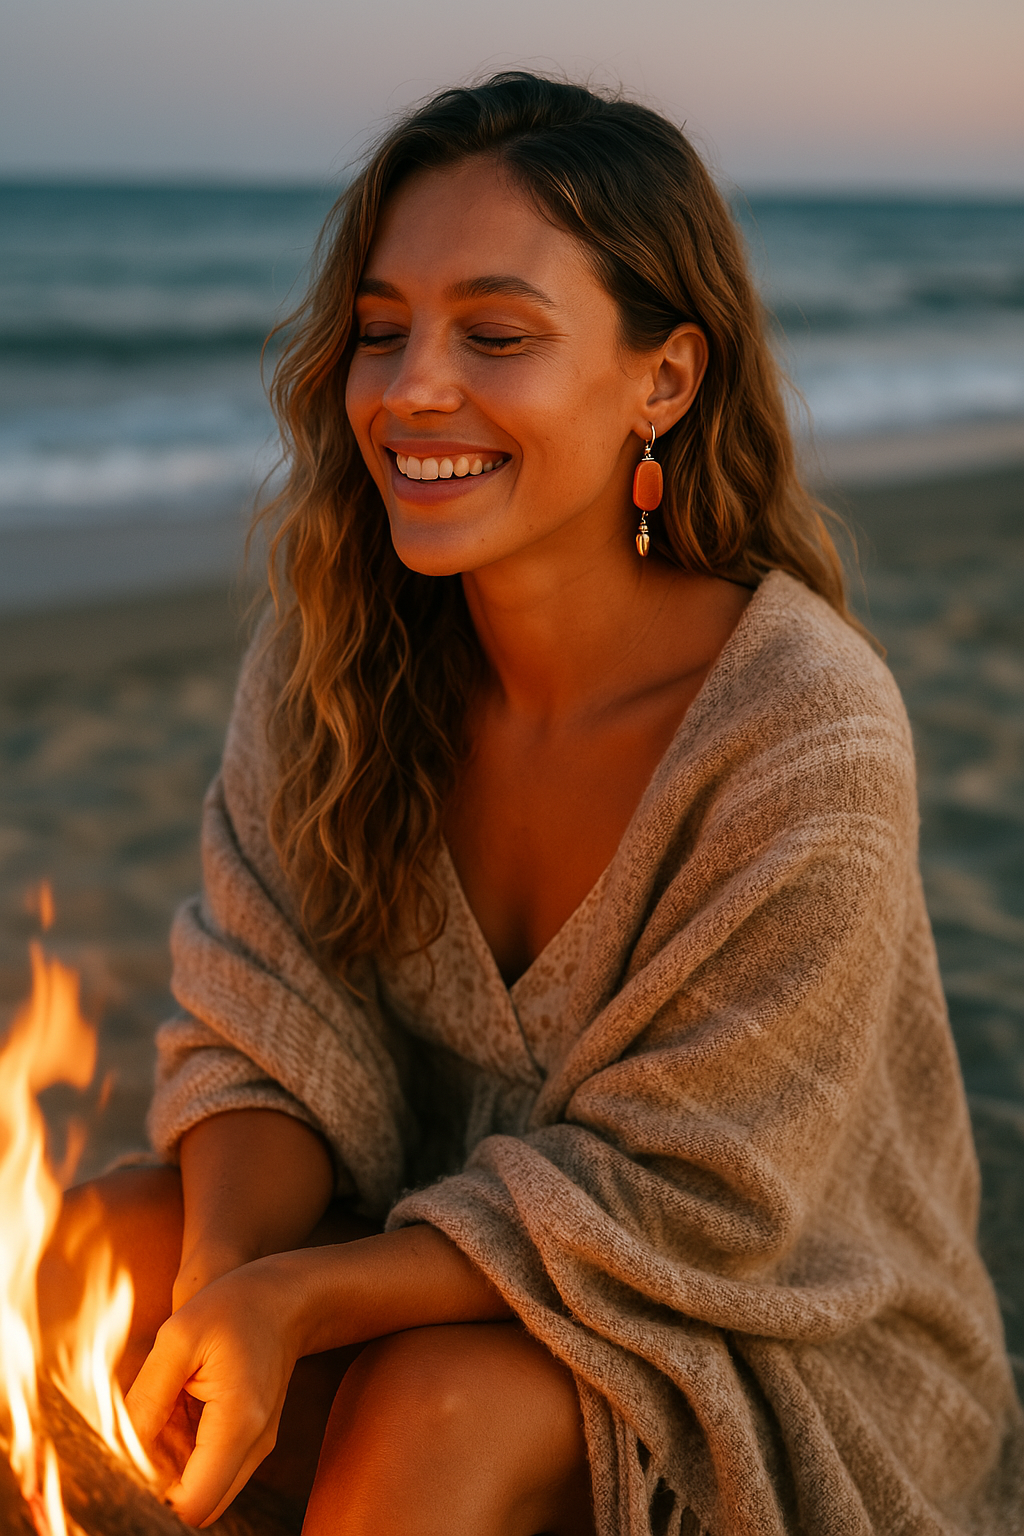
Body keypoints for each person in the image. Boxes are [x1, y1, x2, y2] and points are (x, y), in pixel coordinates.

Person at [42, 73, 1023, 1536]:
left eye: (495, 334)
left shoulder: (803, 732)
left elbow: (688, 1200)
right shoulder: (334, 653)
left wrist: (308, 1296)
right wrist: (227, 1285)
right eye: (381, 331)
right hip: (430, 1258)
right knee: (113, 1247)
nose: (410, 387)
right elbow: (268, 1011)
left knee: (438, 1401)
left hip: (752, 1328)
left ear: (664, 379)